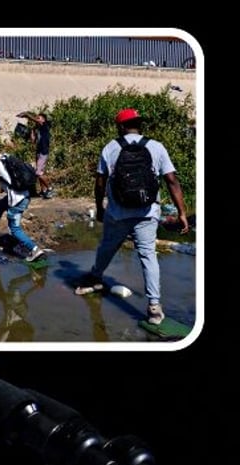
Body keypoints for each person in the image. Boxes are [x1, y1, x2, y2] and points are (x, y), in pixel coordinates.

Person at [74, 108, 189, 325]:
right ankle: (154, 307)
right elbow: (172, 180)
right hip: (147, 212)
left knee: (107, 247)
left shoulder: (111, 147)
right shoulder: (156, 147)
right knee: (148, 256)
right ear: (139, 124)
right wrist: (182, 212)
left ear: (120, 126)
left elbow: (100, 182)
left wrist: (99, 207)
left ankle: (96, 278)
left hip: (118, 212)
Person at [0, 143, 46, 262]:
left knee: (14, 229)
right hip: (23, 194)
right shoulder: (7, 157)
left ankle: (35, 250)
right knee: (0, 204)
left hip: (17, 200)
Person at [18, 111, 54, 198]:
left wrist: (27, 115)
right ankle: (43, 191)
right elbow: (33, 141)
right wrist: (32, 131)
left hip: (43, 153)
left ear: (44, 120)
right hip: (38, 152)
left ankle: (50, 188)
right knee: (40, 172)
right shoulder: (38, 129)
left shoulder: (45, 126)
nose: (37, 120)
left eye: (39, 118)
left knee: (38, 173)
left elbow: (38, 121)